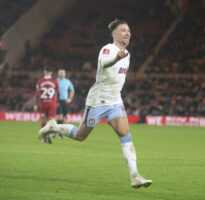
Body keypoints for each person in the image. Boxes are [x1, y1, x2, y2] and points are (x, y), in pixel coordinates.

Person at [38, 19, 152, 189]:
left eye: (129, 30)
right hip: (98, 101)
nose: (127, 33)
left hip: (115, 101)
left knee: (126, 137)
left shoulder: (128, 55)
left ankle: (135, 175)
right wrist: (115, 58)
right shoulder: (108, 50)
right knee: (81, 136)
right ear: (114, 34)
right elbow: (105, 64)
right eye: (123, 30)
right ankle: (54, 127)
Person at [34, 67, 60, 144]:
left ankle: (45, 138)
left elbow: (37, 94)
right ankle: (50, 135)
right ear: (51, 73)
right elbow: (58, 93)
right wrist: (57, 101)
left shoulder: (40, 81)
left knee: (44, 121)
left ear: (44, 72)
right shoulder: (55, 81)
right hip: (52, 103)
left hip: (43, 103)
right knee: (52, 121)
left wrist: (35, 104)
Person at [56, 69, 75, 139]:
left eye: (63, 73)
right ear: (58, 74)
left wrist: (70, 98)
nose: (62, 74)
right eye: (60, 73)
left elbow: (72, 90)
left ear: (65, 74)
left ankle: (56, 130)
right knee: (60, 116)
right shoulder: (56, 81)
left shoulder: (67, 81)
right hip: (57, 101)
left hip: (65, 101)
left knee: (63, 118)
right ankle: (60, 134)